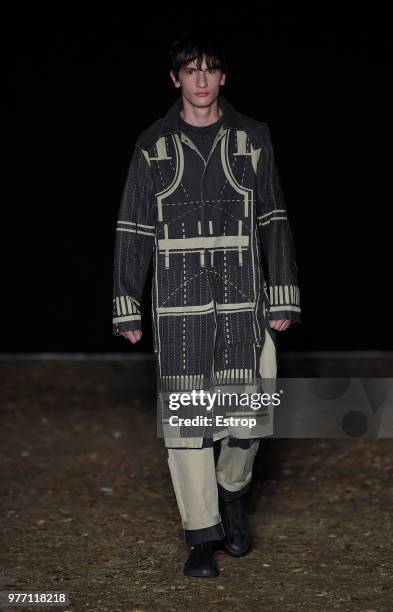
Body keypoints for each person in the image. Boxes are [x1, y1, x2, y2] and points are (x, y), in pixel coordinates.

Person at [112, 27, 301, 577]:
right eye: (189, 70)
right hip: (179, 308)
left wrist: (283, 294)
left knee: (248, 419)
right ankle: (203, 533)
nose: (200, 79)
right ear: (176, 79)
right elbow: (132, 226)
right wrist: (127, 304)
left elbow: (273, 216)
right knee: (188, 425)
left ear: (223, 76)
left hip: (245, 300)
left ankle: (232, 492)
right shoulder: (153, 145)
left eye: (209, 69)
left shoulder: (253, 138)